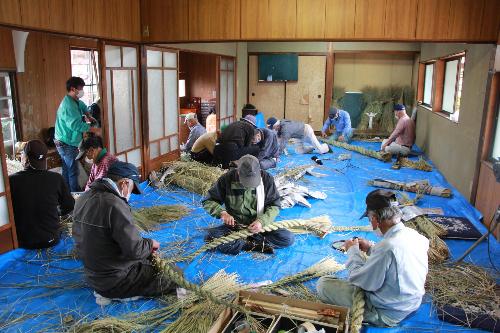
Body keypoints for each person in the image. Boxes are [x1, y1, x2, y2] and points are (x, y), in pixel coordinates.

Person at [317, 189, 429, 327]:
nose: (371, 223)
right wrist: (371, 248)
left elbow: (360, 280)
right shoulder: (415, 235)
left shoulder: (387, 247)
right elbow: (397, 257)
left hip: (386, 313)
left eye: (370, 219)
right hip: (410, 304)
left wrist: (352, 251)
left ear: (375, 219)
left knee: (324, 284)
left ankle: (373, 315)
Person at [73, 161, 180, 304]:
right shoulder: (115, 205)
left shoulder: (83, 198)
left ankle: (109, 291)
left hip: (92, 275)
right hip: (114, 281)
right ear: (124, 183)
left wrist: (145, 248)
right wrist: (149, 244)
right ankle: (118, 295)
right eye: (131, 188)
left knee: (148, 259)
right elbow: (135, 251)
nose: (130, 194)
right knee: (175, 274)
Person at [202, 155, 294, 255]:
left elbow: (274, 205)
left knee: (287, 238)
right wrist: (222, 213)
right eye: (246, 180)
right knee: (211, 236)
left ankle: (244, 244)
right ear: (238, 172)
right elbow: (209, 200)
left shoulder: (267, 179)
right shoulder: (226, 179)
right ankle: (255, 245)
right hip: (234, 227)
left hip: (259, 226)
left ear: (259, 171)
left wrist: (262, 221)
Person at [9, 140, 74, 249]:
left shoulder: (11, 181)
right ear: (45, 159)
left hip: (23, 242)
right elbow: (68, 206)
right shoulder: (56, 178)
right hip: (51, 239)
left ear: (25, 158)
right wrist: (55, 212)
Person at [55, 77, 100, 192]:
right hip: (66, 142)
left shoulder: (73, 100)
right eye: (80, 88)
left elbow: (81, 105)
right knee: (73, 170)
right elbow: (75, 125)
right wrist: (93, 129)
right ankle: (75, 196)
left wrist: (88, 115)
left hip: (66, 139)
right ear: (73, 89)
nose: (82, 91)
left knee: (67, 168)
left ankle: (66, 193)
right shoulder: (68, 106)